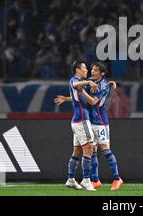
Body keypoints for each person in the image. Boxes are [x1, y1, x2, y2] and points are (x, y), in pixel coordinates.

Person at [55, 61, 123, 191]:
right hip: (88, 121)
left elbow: (92, 101)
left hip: (100, 122)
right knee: (92, 151)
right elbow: (78, 92)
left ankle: (116, 178)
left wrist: (107, 84)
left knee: (105, 150)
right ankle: (94, 180)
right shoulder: (89, 81)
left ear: (102, 73)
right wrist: (68, 98)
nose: (92, 72)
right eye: (91, 69)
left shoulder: (103, 85)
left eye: (96, 70)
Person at [63, 60, 99, 191]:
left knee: (77, 151)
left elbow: (88, 100)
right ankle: (86, 179)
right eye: (84, 68)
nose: (87, 70)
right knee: (89, 147)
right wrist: (89, 82)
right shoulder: (74, 80)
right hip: (82, 120)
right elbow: (75, 84)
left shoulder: (80, 86)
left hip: (77, 121)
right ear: (78, 69)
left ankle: (71, 179)